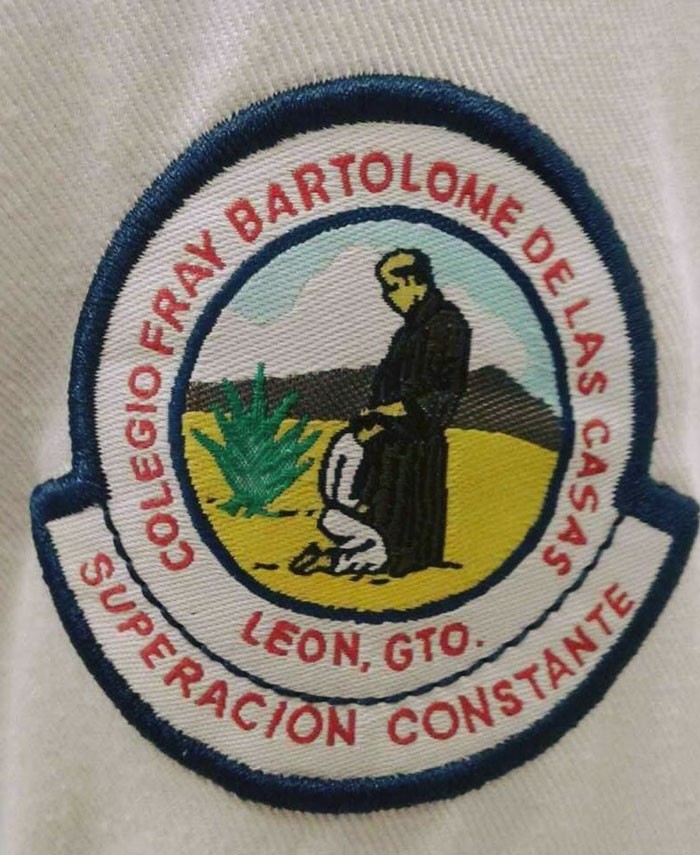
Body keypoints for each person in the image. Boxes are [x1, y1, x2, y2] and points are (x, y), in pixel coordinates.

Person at [352, 248, 471, 576]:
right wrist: (374, 417)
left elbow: (444, 393)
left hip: (418, 445)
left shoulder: (447, 326)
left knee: (413, 512)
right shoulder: (407, 333)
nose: (387, 297)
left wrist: (390, 415)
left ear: (412, 282)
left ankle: (410, 562)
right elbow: (387, 386)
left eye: (390, 287)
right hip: (392, 441)